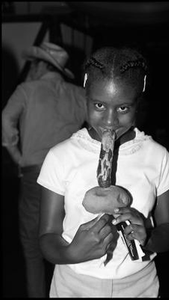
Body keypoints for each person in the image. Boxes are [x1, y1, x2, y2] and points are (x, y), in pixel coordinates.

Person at [37, 46, 169, 298]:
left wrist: (149, 236)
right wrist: (70, 252)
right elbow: (47, 237)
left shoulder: (158, 156)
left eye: (123, 108)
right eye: (99, 105)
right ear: (86, 95)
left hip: (139, 285)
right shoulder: (60, 156)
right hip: (74, 283)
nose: (110, 121)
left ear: (138, 103)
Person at [2, 42, 87, 298]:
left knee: (32, 247)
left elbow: (4, 120)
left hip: (35, 174)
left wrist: (18, 156)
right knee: (68, 242)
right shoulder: (78, 94)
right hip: (72, 177)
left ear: (40, 65)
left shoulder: (27, 89)